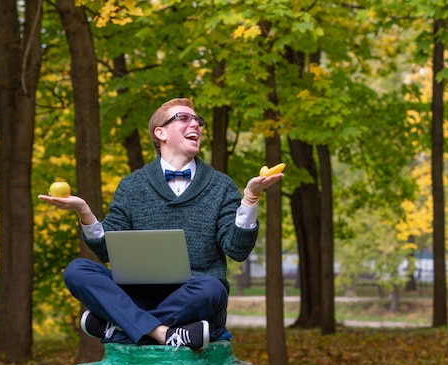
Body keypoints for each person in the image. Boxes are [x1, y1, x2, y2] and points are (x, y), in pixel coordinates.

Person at [38, 97, 283, 350]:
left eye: (198, 120)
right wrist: (84, 211)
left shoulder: (221, 186)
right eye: (184, 118)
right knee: (77, 270)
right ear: (160, 132)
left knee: (212, 287)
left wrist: (250, 198)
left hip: (194, 298)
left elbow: (237, 250)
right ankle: (163, 333)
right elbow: (105, 251)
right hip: (138, 295)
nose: (196, 124)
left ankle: (119, 327)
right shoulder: (132, 186)